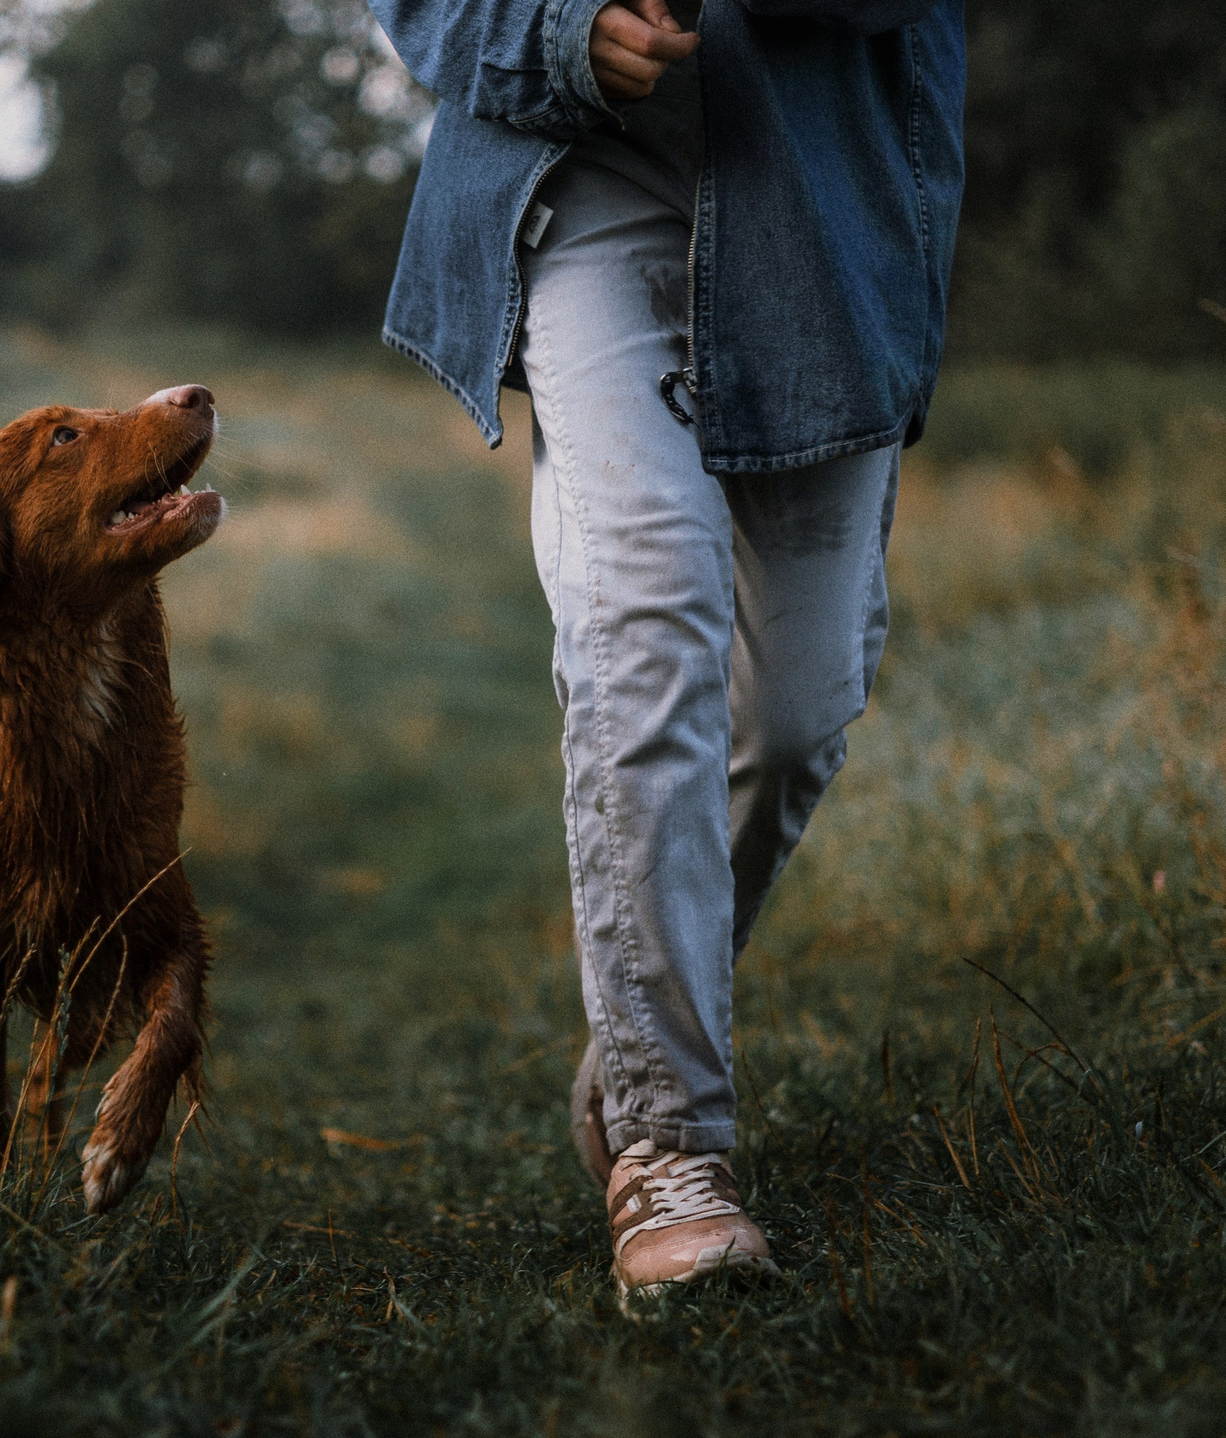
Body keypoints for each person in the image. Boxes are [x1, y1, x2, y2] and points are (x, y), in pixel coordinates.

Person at [359, 0, 967, 1296]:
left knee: (799, 710)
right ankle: (669, 1147)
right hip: (580, 176)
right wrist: (556, 32)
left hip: (829, 208)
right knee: (645, 623)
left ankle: (636, 1033)